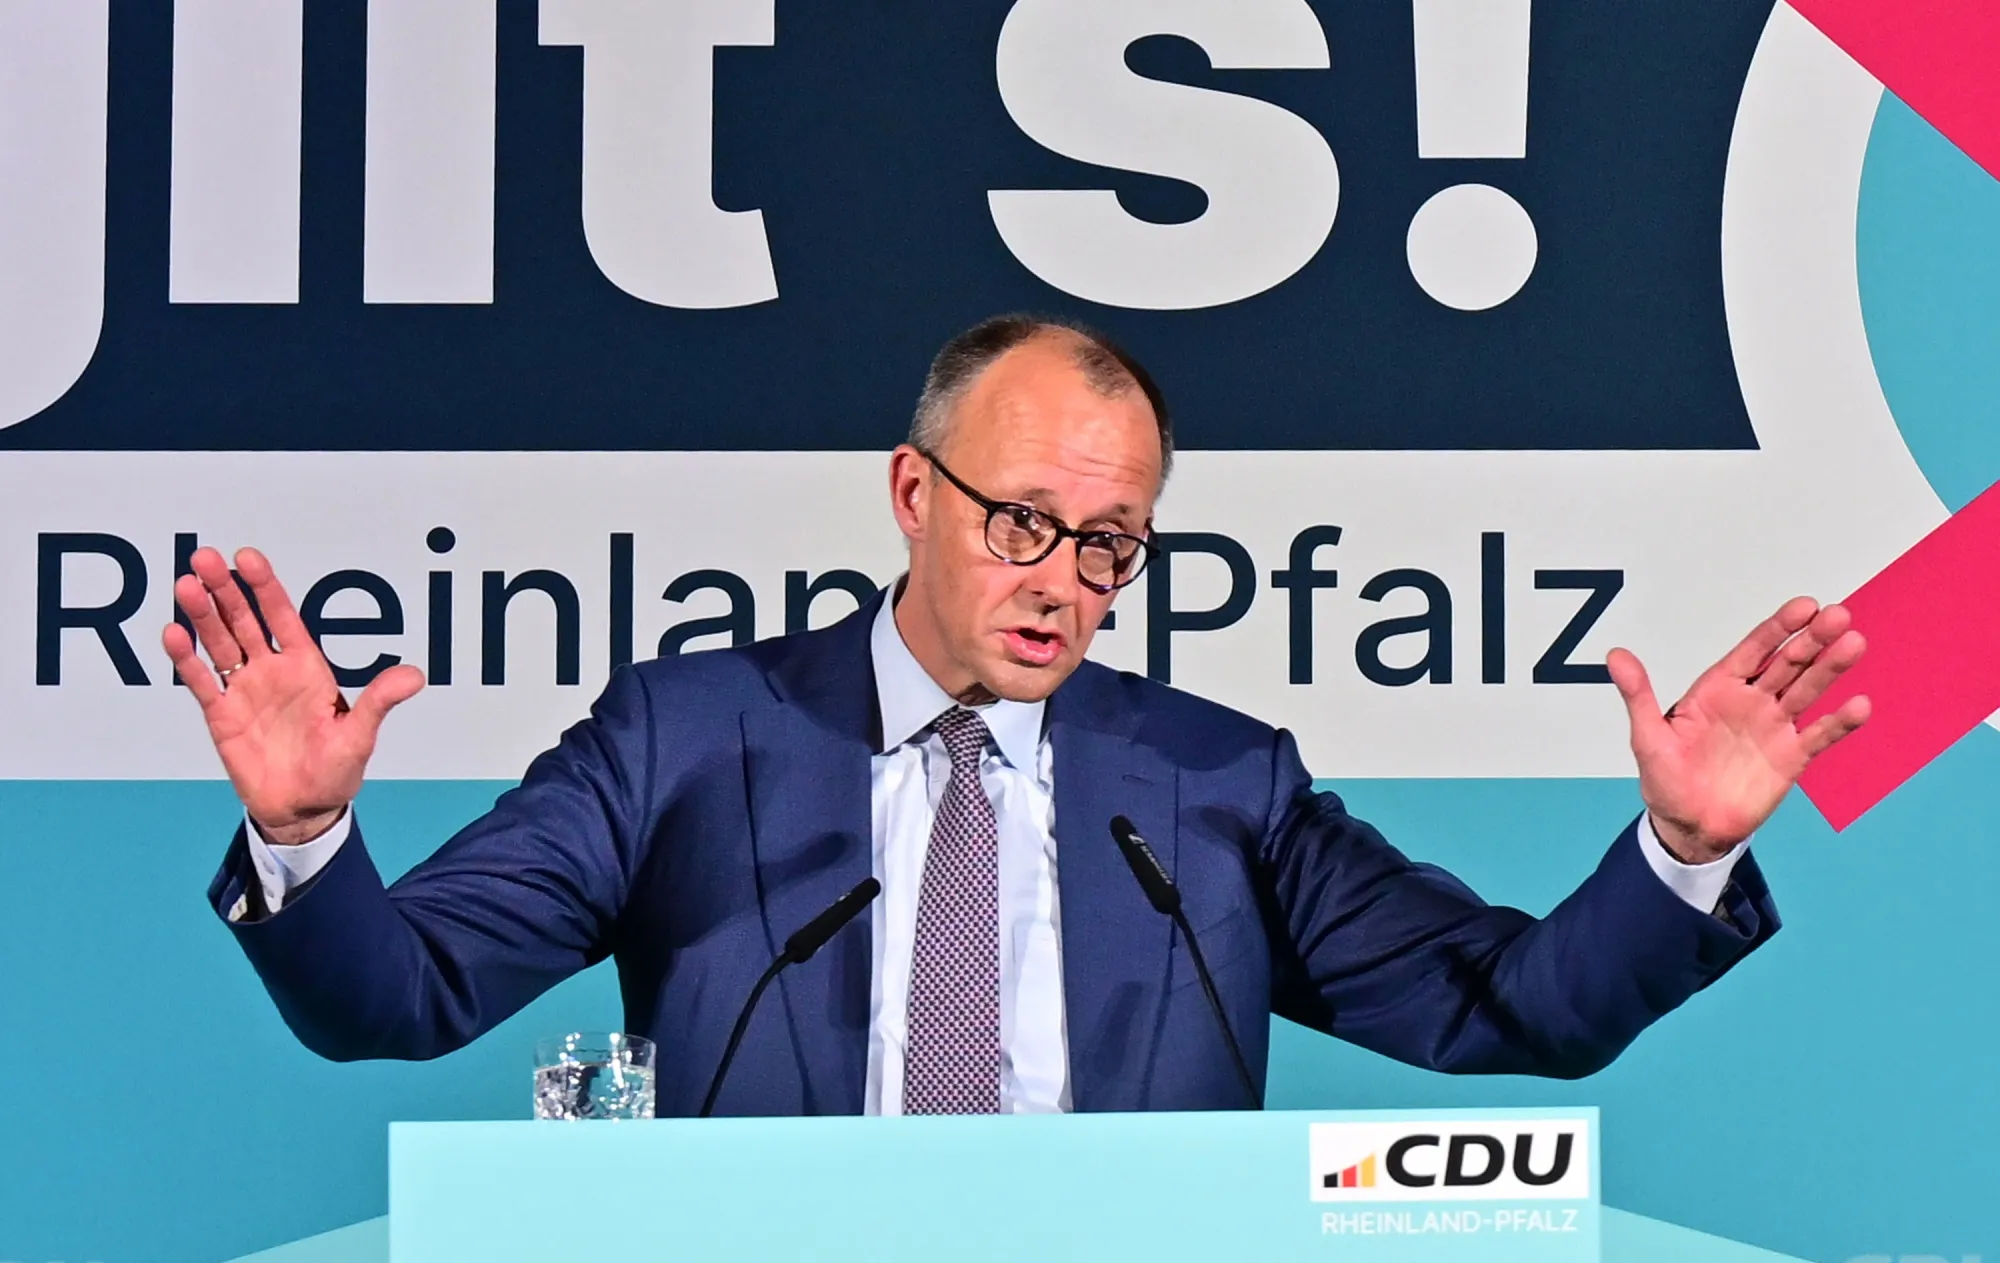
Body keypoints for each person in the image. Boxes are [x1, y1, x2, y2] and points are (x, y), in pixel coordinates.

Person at [163, 315, 1871, 1116]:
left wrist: (1680, 849)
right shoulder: (689, 742)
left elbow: (1510, 1013)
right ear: (913, 492)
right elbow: (400, 997)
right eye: (1026, 521)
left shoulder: (1212, 786)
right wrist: (309, 834)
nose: (1067, 578)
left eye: (1114, 542)